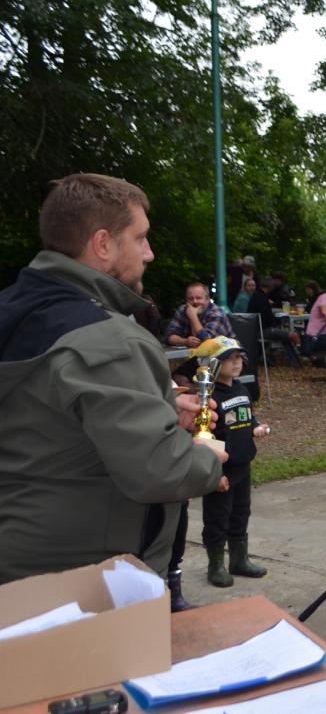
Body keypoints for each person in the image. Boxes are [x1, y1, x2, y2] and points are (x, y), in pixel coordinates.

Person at [0, 173, 226, 587]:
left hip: (21, 565)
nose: (149, 253)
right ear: (103, 244)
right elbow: (159, 470)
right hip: (88, 581)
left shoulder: (15, 310)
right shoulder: (110, 339)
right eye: (140, 238)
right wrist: (207, 456)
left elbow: (46, 422)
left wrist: (158, 409)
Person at [196, 337, 270, 589]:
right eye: (229, 359)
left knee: (240, 513)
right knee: (218, 517)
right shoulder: (209, 398)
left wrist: (255, 427)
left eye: (238, 357)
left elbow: (247, 417)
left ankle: (239, 560)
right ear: (213, 364)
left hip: (242, 466)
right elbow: (207, 437)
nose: (236, 363)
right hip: (222, 471)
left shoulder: (241, 389)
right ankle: (215, 565)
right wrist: (214, 473)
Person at [167, 281, 236, 386]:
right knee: (176, 378)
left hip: (227, 359)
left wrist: (193, 316)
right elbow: (168, 336)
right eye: (191, 299)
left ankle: (200, 394)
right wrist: (185, 341)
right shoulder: (182, 310)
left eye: (198, 298)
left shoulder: (217, 313)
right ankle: (194, 394)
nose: (194, 302)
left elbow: (207, 342)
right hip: (201, 359)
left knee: (200, 380)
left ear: (207, 299)